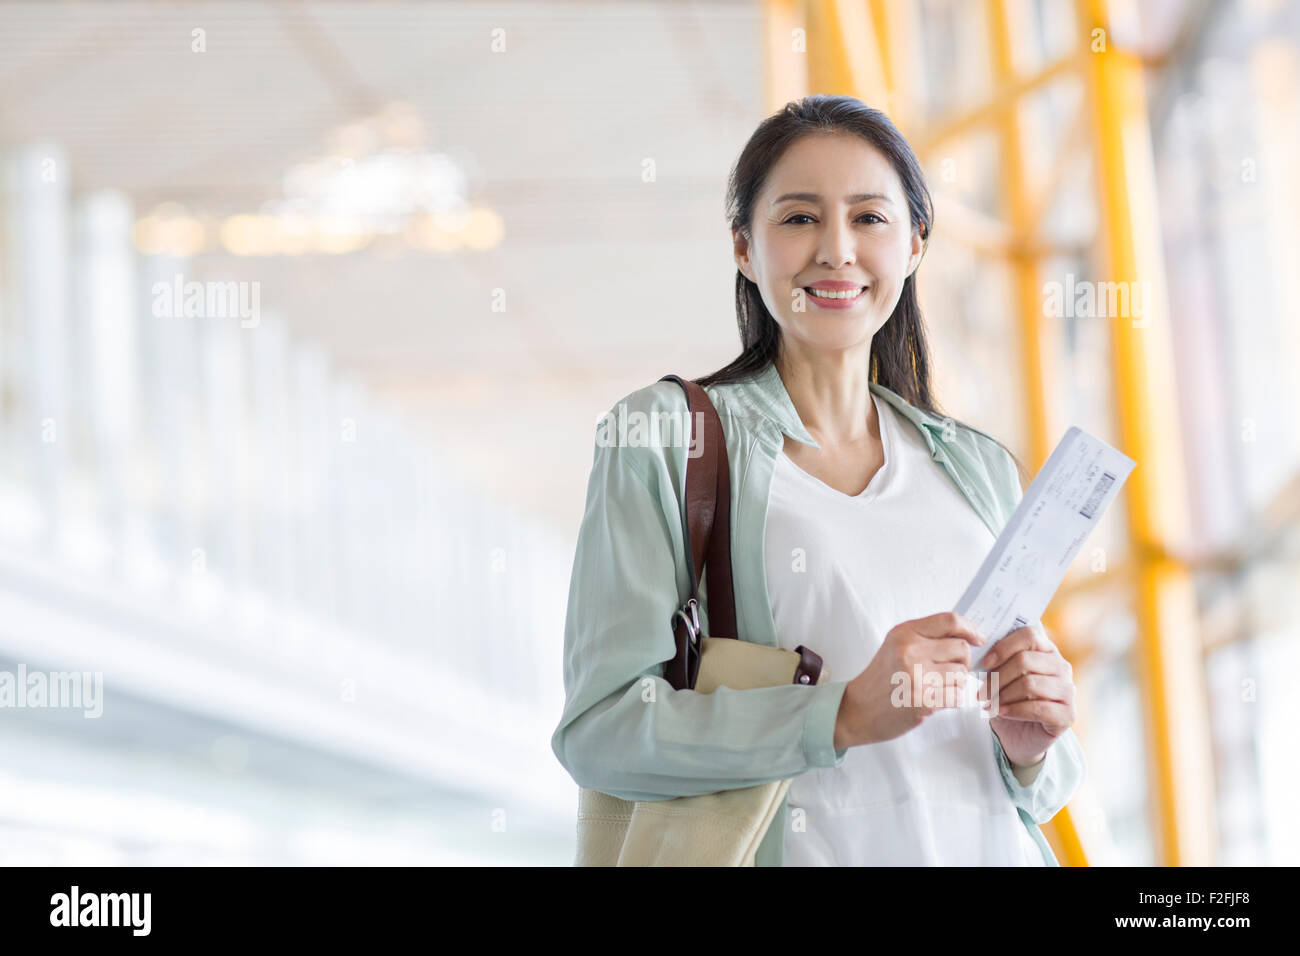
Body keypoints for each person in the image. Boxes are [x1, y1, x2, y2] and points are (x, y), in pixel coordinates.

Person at [551, 94, 1085, 866]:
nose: (836, 250)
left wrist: (1034, 746)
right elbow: (601, 732)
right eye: (799, 218)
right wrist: (838, 715)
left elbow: (1041, 783)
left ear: (914, 246)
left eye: (869, 218)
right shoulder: (669, 437)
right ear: (743, 247)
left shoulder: (980, 468)